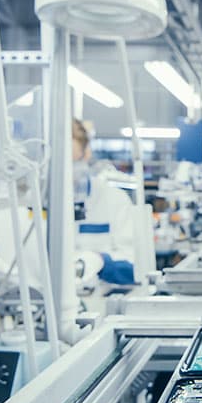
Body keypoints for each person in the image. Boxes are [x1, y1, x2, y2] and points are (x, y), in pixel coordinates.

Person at [72, 119, 138, 286]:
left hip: (96, 302)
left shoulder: (114, 200)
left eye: (72, 162)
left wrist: (101, 261)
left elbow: (135, 267)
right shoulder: (27, 205)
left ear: (86, 154)